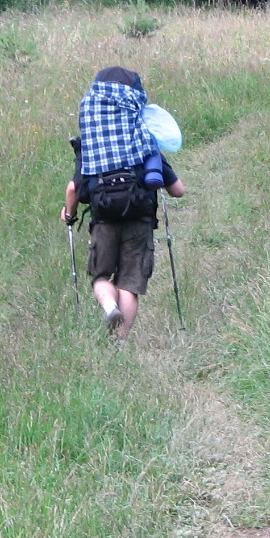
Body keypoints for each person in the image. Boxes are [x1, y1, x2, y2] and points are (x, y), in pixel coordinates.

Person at [61, 67, 186, 337]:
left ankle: (109, 307)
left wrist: (69, 214)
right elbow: (178, 191)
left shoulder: (92, 147)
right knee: (129, 284)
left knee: (101, 276)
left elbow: (73, 189)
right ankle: (120, 343)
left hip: (104, 218)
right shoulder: (144, 142)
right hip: (140, 217)